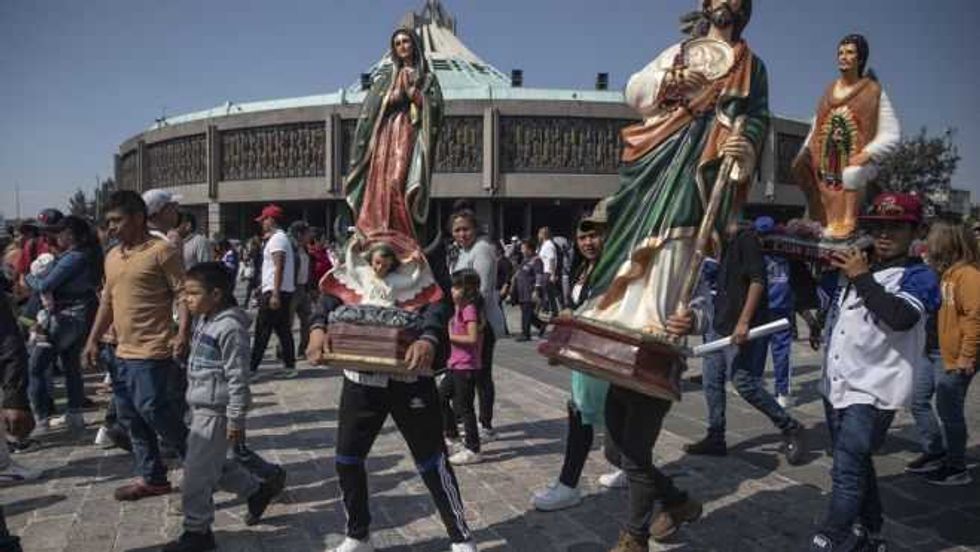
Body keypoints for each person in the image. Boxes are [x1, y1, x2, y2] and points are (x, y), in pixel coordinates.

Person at [306, 240, 476, 552]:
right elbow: (332, 296)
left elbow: (438, 304)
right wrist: (317, 327)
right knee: (347, 459)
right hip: (360, 378)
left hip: (410, 379)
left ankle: (460, 537)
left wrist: (427, 338)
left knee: (432, 462)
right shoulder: (357, 252)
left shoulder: (420, 255)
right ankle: (358, 534)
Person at [809, 192, 940, 551]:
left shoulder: (920, 276)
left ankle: (830, 539)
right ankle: (872, 533)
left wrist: (862, 278)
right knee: (858, 465)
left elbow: (900, 317)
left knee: (846, 474)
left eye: (895, 227)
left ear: (916, 231)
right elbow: (818, 304)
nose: (884, 235)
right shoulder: (857, 269)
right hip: (837, 384)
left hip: (874, 390)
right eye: (878, 227)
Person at [161, 263, 284, 552]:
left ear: (216, 294)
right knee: (211, 465)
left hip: (216, 410)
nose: (187, 299)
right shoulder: (206, 320)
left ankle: (197, 532)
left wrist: (235, 418)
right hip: (200, 405)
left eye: (193, 293)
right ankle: (256, 490)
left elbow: (238, 376)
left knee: (195, 475)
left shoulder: (229, 328)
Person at [82, 190, 191, 502]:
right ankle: (153, 478)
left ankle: (200, 462)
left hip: (153, 349)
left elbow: (183, 294)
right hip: (118, 350)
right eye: (108, 222)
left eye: (117, 220)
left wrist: (183, 333)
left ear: (139, 218)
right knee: (130, 417)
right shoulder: (112, 256)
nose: (111, 227)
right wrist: (92, 340)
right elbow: (107, 301)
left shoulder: (162, 251)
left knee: (154, 409)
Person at [685, 222, 806, 463]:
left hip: (742, 328)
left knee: (745, 383)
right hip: (718, 324)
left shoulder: (746, 239)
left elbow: (758, 280)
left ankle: (790, 426)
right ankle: (716, 436)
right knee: (711, 382)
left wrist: (744, 322)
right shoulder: (718, 244)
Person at [532, 211, 628, 512]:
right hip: (586, 351)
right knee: (607, 418)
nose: (588, 241)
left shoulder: (615, 270)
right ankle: (629, 469)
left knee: (581, 415)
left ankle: (569, 484)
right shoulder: (584, 268)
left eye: (594, 235)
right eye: (583, 236)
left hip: (603, 352)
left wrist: (576, 319)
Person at [793, 33, 900, 240]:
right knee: (800, 166)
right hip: (827, 163)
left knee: (851, 173)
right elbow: (817, 126)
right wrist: (806, 151)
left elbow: (892, 134)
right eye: (840, 53)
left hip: (858, 166)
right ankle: (817, 218)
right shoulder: (828, 91)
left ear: (860, 59)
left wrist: (867, 154)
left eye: (849, 52)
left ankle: (848, 222)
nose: (843, 56)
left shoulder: (873, 91)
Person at [25, 215, 103, 436]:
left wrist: (30, 277)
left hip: (63, 318)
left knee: (36, 368)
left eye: (60, 232)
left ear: (71, 234)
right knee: (71, 367)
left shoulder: (73, 258)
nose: (56, 236)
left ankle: (40, 419)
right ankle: (75, 416)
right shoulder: (86, 255)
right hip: (78, 317)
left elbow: (44, 284)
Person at [915, 220, 979, 486]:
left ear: (947, 241)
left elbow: (976, 318)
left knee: (949, 411)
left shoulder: (969, 275)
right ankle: (935, 451)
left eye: (932, 237)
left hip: (952, 355)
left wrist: (967, 355)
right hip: (931, 349)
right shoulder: (943, 273)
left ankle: (956, 466)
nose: (927, 241)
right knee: (917, 400)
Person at [450, 210, 505, 440]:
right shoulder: (463, 251)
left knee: (481, 374)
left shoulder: (482, 249)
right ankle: (469, 417)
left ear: (476, 229)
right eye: (457, 230)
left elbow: (479, 290)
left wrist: (474, 324)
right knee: (470, 374)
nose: (462, 234)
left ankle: (485, 423)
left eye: (466, 229)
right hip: (467, 319)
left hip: (481, 321)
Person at [441, 268, 485, 465]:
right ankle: (453, 436)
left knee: (465, 408)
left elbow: (472, 337)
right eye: (453, 286)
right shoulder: (458, 308)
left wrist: (448, 337)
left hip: (466, 366)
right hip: (454, 364)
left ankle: (473, 448)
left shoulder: (469, 309)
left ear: (469, 290)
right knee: (440, 397)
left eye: (458, 287)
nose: (453, 291)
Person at [249, 204, 296, 375]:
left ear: (271, 220)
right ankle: (290, 365)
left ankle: (252, 367)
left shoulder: (277, 240)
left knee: (262, 330)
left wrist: (274, 293)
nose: (262, 223)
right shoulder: (280, 238)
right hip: (279, 289)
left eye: (264, 220)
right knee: (283, 330)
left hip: (276, 292)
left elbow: (279, 266)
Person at [755, 216, 796, 406]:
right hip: (779, 307)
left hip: (768, 308)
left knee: (762, 349)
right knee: (778, 351)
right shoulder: (787, 252)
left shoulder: (755, 252)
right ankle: (781, 392)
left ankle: (763, 387)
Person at [512, 239, 546, 342]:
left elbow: (539, 275)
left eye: (523, 248)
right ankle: (541, 325)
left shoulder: (536, 260)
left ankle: (525, 334)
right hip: (522, 291)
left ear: (530, 249)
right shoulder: (524, 260)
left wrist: (536, 290)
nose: (522, 250)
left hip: (529, 290)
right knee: (527, 312)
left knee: (526, 313)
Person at [289, 221, 314, 358]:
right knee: (288, 322)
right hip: (292, 289)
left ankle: (303, 349)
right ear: (299, 234)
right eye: (307, 233)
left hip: (303, 288)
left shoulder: (306, 250)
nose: (310, 236)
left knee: (307, 320)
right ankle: (284, 350)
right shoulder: (290, 250)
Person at [537, 226, 560, 316]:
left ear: (543, 234)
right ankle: (553, 311)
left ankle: (552, 311)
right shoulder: (544, 245)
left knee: (548, 293)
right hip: (545, 271)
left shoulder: (549, 245)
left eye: (539, 233)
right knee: (549, 293)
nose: (538, 236)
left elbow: (552, 259)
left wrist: (552, 274)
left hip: (548, 272)